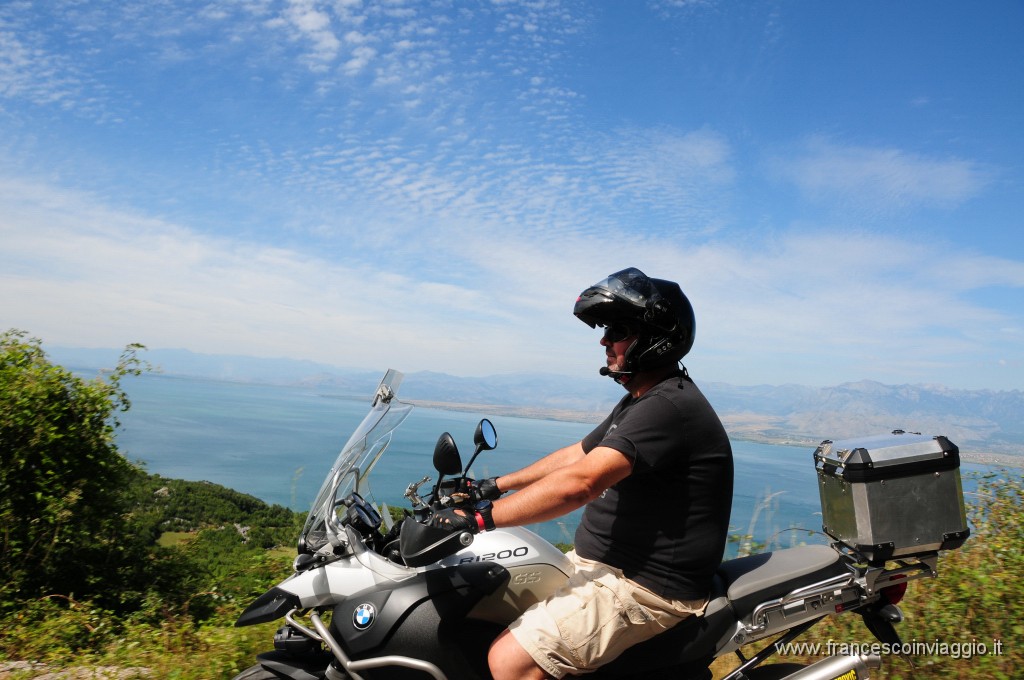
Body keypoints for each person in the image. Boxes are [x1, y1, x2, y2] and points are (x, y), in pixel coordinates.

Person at [430, 267, 734, 679]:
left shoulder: (669, 408)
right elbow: (579, 455)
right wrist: (492, 485)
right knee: (476, 599)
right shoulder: (642, 401)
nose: (604, 340)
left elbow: (581, 484)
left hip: (645, 589)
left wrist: (479, 518)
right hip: (600, 567)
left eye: (619, 330)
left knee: (510, 661)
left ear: (657, 338)